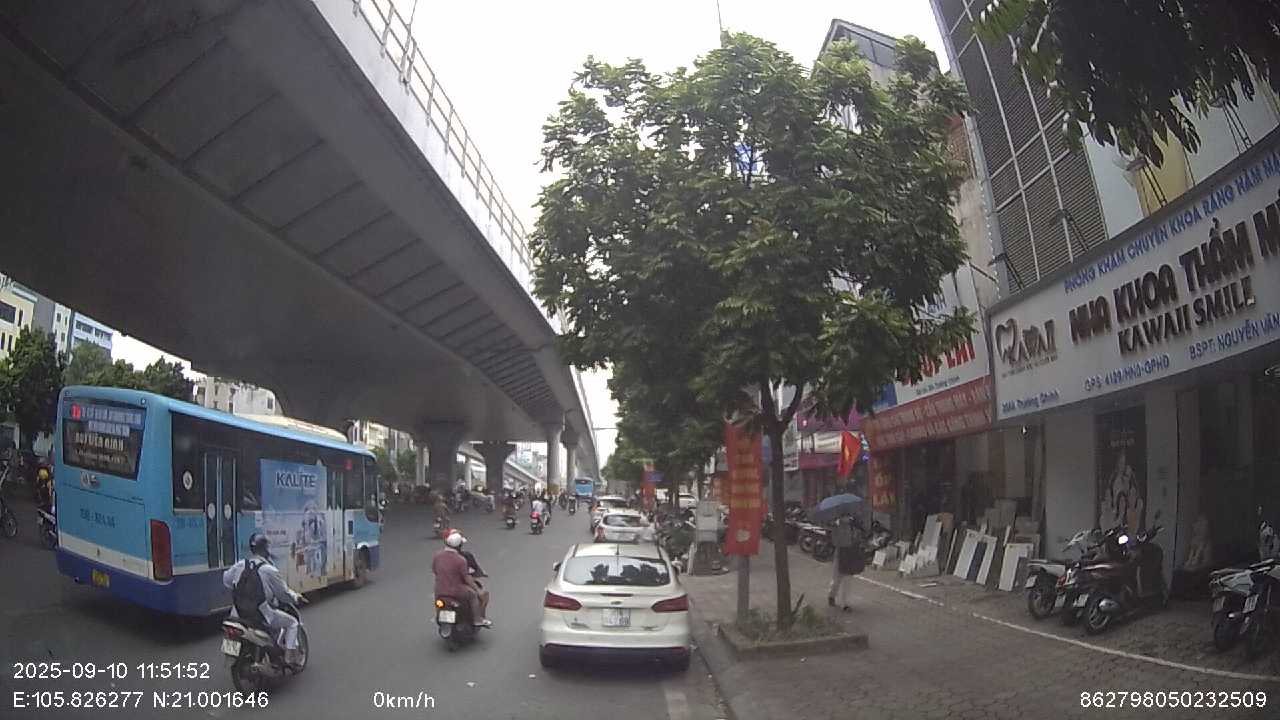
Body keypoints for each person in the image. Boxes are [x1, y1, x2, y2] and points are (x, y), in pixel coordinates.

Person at [223, 533, 307, 665]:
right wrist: (296, 597)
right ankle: (289, 658)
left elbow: (227, 581)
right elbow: (283, 594)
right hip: (261, 614)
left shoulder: (240, 564)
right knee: (292, 623)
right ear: (265, 548)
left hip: (237, 613)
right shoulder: (269, 569)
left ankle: (231, 657)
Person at [432, 531, 491, 627]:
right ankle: (477, 619)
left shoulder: (437, 556)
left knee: (438, 598)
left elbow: (435, 571)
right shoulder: (461, 560)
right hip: (457, 590)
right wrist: (477, 590)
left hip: (440, 589)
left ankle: (438, 615)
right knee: (474, 596)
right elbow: (466, 577)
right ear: (459, 545)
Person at [827, 515, 863, 612]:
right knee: (836, 580)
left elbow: (859, 539)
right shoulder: (836, 526)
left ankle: (845, 604)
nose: (846, 519)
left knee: (847, 581)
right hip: (840, 556)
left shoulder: (854, 525)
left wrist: (856, 538)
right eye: (844, 517)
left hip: (851, 557)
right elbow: (834, 542)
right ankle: (831, 595)